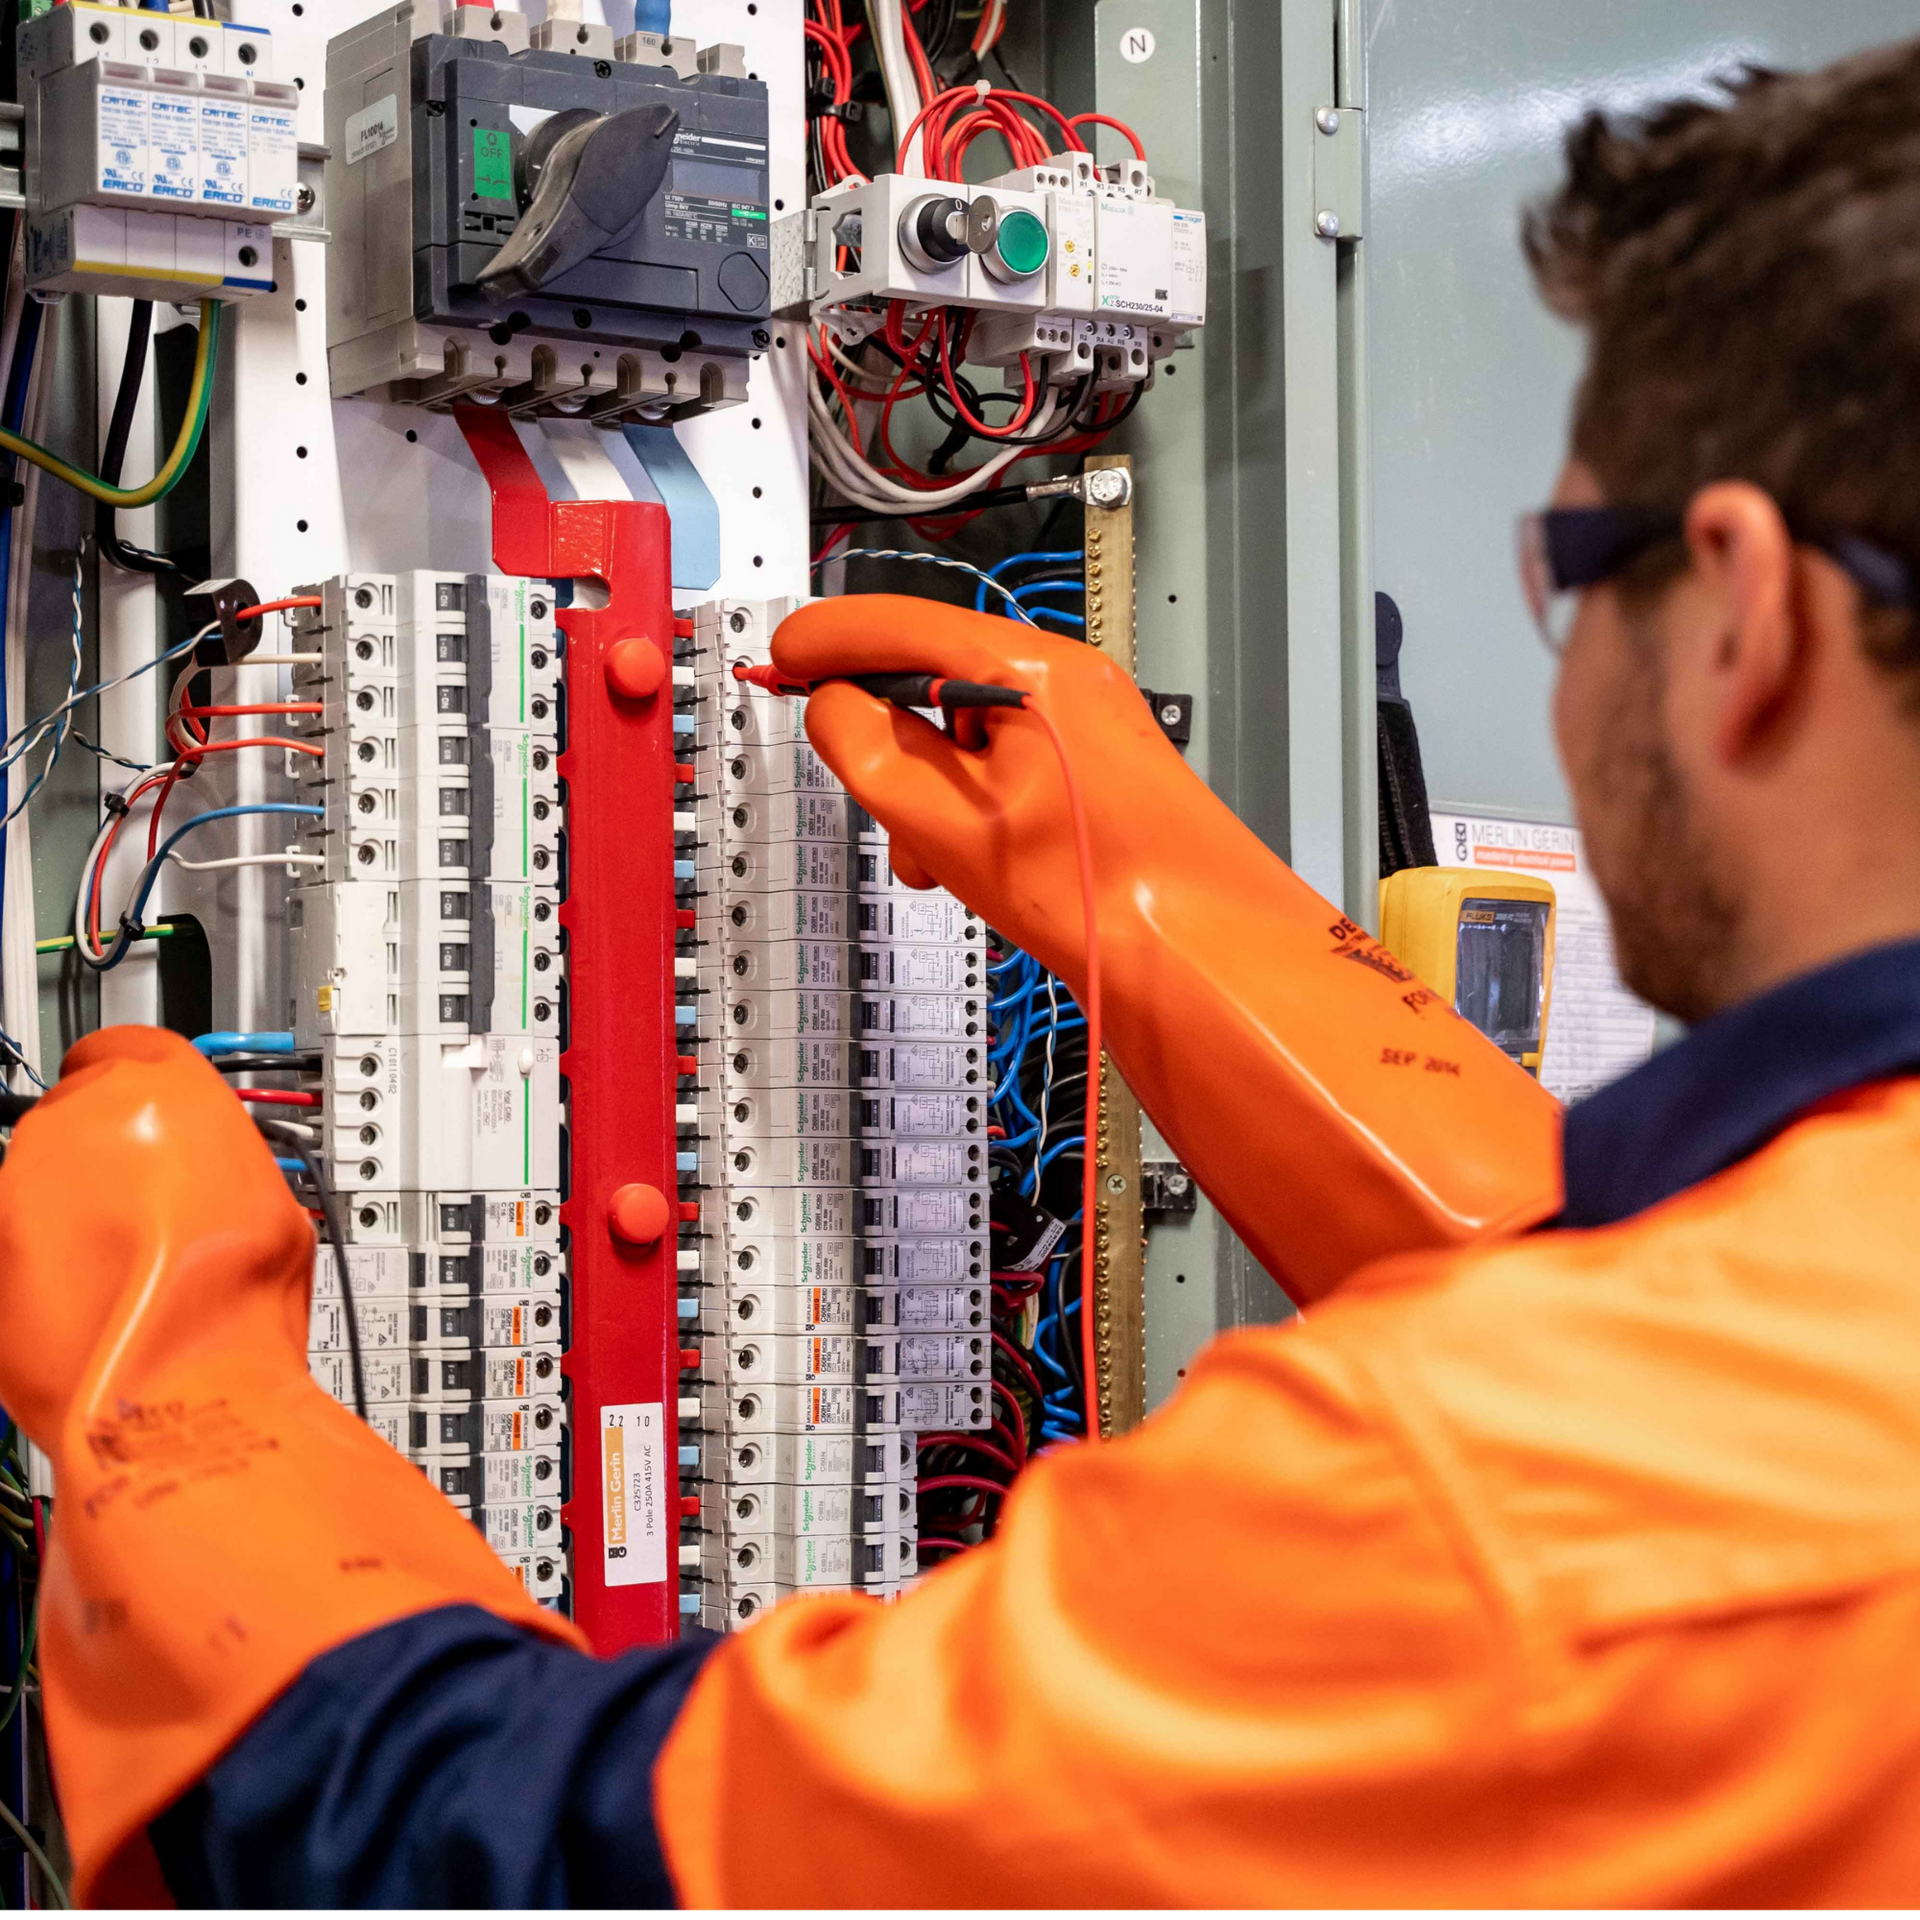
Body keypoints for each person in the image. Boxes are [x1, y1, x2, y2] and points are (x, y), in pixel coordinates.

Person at [14, 39, 1920, 1911]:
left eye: (1567, 574)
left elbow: (494, 1851)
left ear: (1746, 607)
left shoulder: (1498, 1523)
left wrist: (159, 1374)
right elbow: (1661, 1313)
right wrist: (1169, 907)